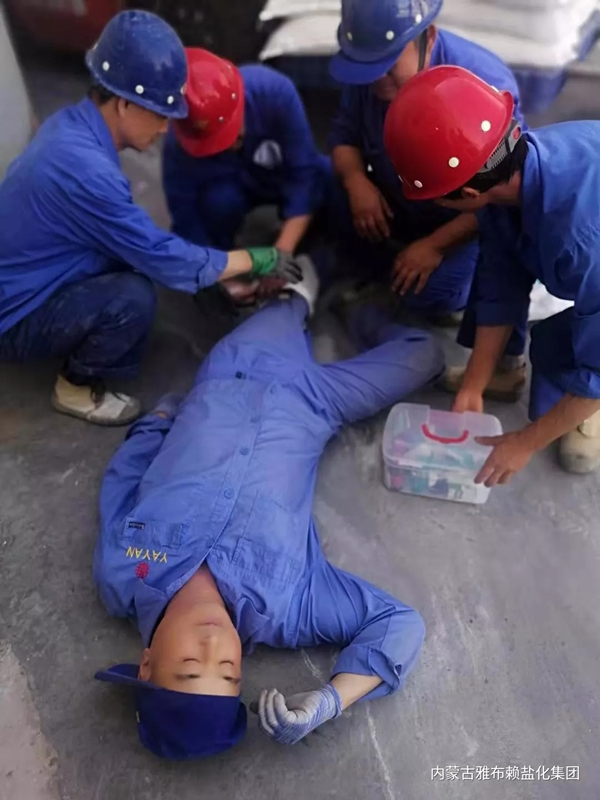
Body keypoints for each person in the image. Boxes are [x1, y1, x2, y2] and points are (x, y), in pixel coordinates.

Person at [93, 259, 443, 758]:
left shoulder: (124, 571)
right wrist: (331, 700)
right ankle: (357, 310)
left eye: (190, 667)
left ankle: (314, 278)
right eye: (230, 672)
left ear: (147, 663)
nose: (214, 647)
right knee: (425, 353)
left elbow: (122, 481)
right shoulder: (289, 608)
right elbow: (399, 622)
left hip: (232, 374)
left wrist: (160, 419)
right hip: (316, 404)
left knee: (293, 298)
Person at [0, 11, 301, 426]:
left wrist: (212, 275)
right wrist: (256, 259)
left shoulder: (72, 129)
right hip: (13, 315)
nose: (165, 129)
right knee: (133, 297)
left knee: (131, 261)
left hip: (25, 277)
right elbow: (160, 255)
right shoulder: (87, 171)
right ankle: (75, 387)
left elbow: (133, 241)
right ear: (124, 104)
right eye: (161, 114)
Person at [384, 64, 600, 477]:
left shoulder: (583, 240)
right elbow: (501, 285)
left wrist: (524, 443)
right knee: (548, 344)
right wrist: (474, 384)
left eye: (438, 199)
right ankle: (529, 387)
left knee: (574, 351)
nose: (437, 206)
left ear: (468, 192)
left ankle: (588, 410)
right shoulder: (509, 177)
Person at [327, 0, 525, 322]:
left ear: (428, 37)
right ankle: (380, 265)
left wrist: (436, 245)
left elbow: (501, 196)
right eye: (368, 69)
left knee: (431, 294)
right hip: (402, 197)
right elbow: (344, 134)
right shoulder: (367, 70)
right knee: (331, 188)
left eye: (387, 67)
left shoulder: (482, 84)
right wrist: (356, 182)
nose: (376, 79)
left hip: (463, 218)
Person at [162, 48, 331, 261]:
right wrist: (217, 270)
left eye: (232, 134)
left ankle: (317, 240)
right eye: (215, 141)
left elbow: (304, 173)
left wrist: (282, 253)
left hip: (276, 176)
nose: (229, 145)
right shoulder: (180, 141)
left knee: (327, 173)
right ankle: (223, 249)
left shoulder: (275, 92)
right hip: (230, 187)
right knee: (217, 203)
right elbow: (185, 216)